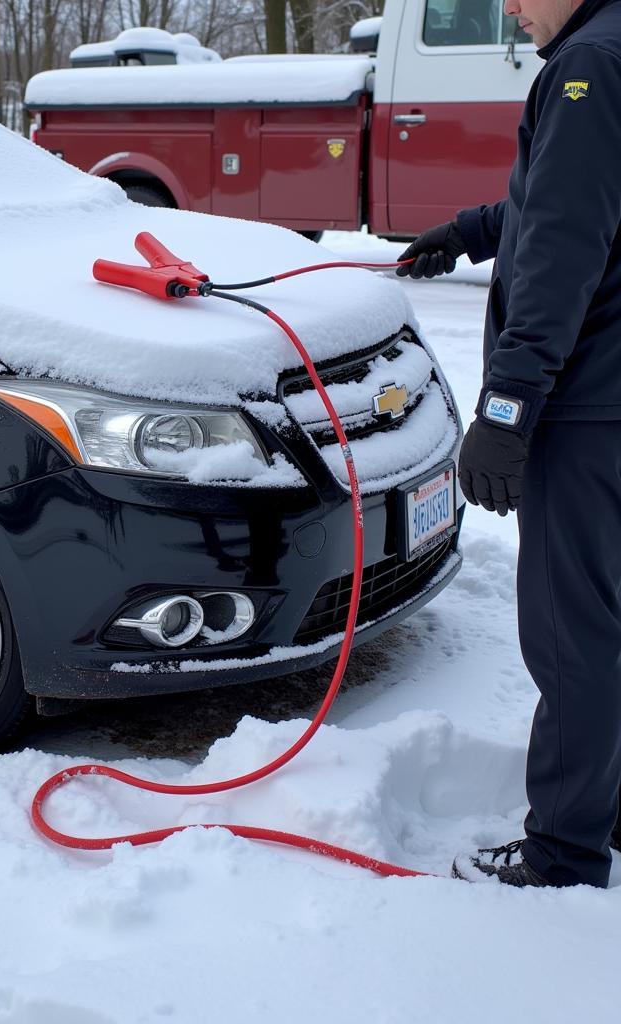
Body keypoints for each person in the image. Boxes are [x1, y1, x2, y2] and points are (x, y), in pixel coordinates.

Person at [397, 0, 621, 888]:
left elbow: (566, 246)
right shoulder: (607, 53)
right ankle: (601, 807)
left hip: (587, 402)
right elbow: (577, 194)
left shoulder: (588, 67)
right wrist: (476, 229)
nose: (512, 9)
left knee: (572, 634)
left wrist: (507, 409)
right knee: (606, 620)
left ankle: (564, 851)